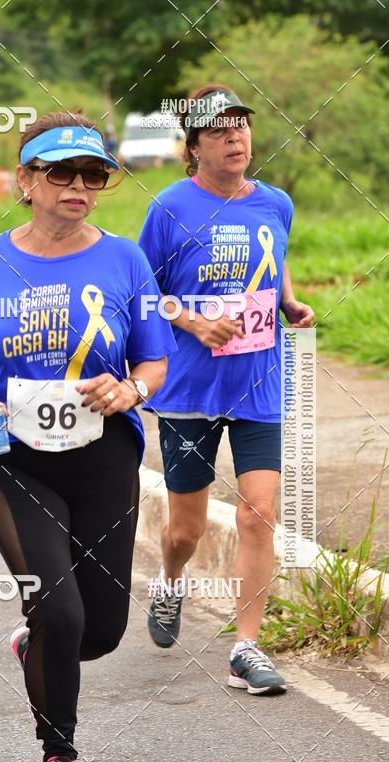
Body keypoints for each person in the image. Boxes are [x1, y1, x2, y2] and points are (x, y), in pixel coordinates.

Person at [0, 111, 176, 762]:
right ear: (25, 181)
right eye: (60, 172)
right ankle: (57, 759)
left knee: (99, 631)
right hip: (11, 458)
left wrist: (133, 389)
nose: (78, 186)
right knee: (60, 611)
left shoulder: (126, 260)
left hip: (103, 457)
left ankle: (38, 640)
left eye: (93, 173)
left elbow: (155, 359)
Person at [138, 84, 315, 695]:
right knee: (186, 528)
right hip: (189, 389)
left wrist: (287, 300)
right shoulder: (167, 208)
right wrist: (193, 320)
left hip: (260, 380)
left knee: (259, 513)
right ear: (194, 147)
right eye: (219, 130)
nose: (236, 137)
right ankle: (169, 581)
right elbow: (140, 293)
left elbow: (277, 253)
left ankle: (247, 647)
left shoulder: (276, 202)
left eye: (241, 126)